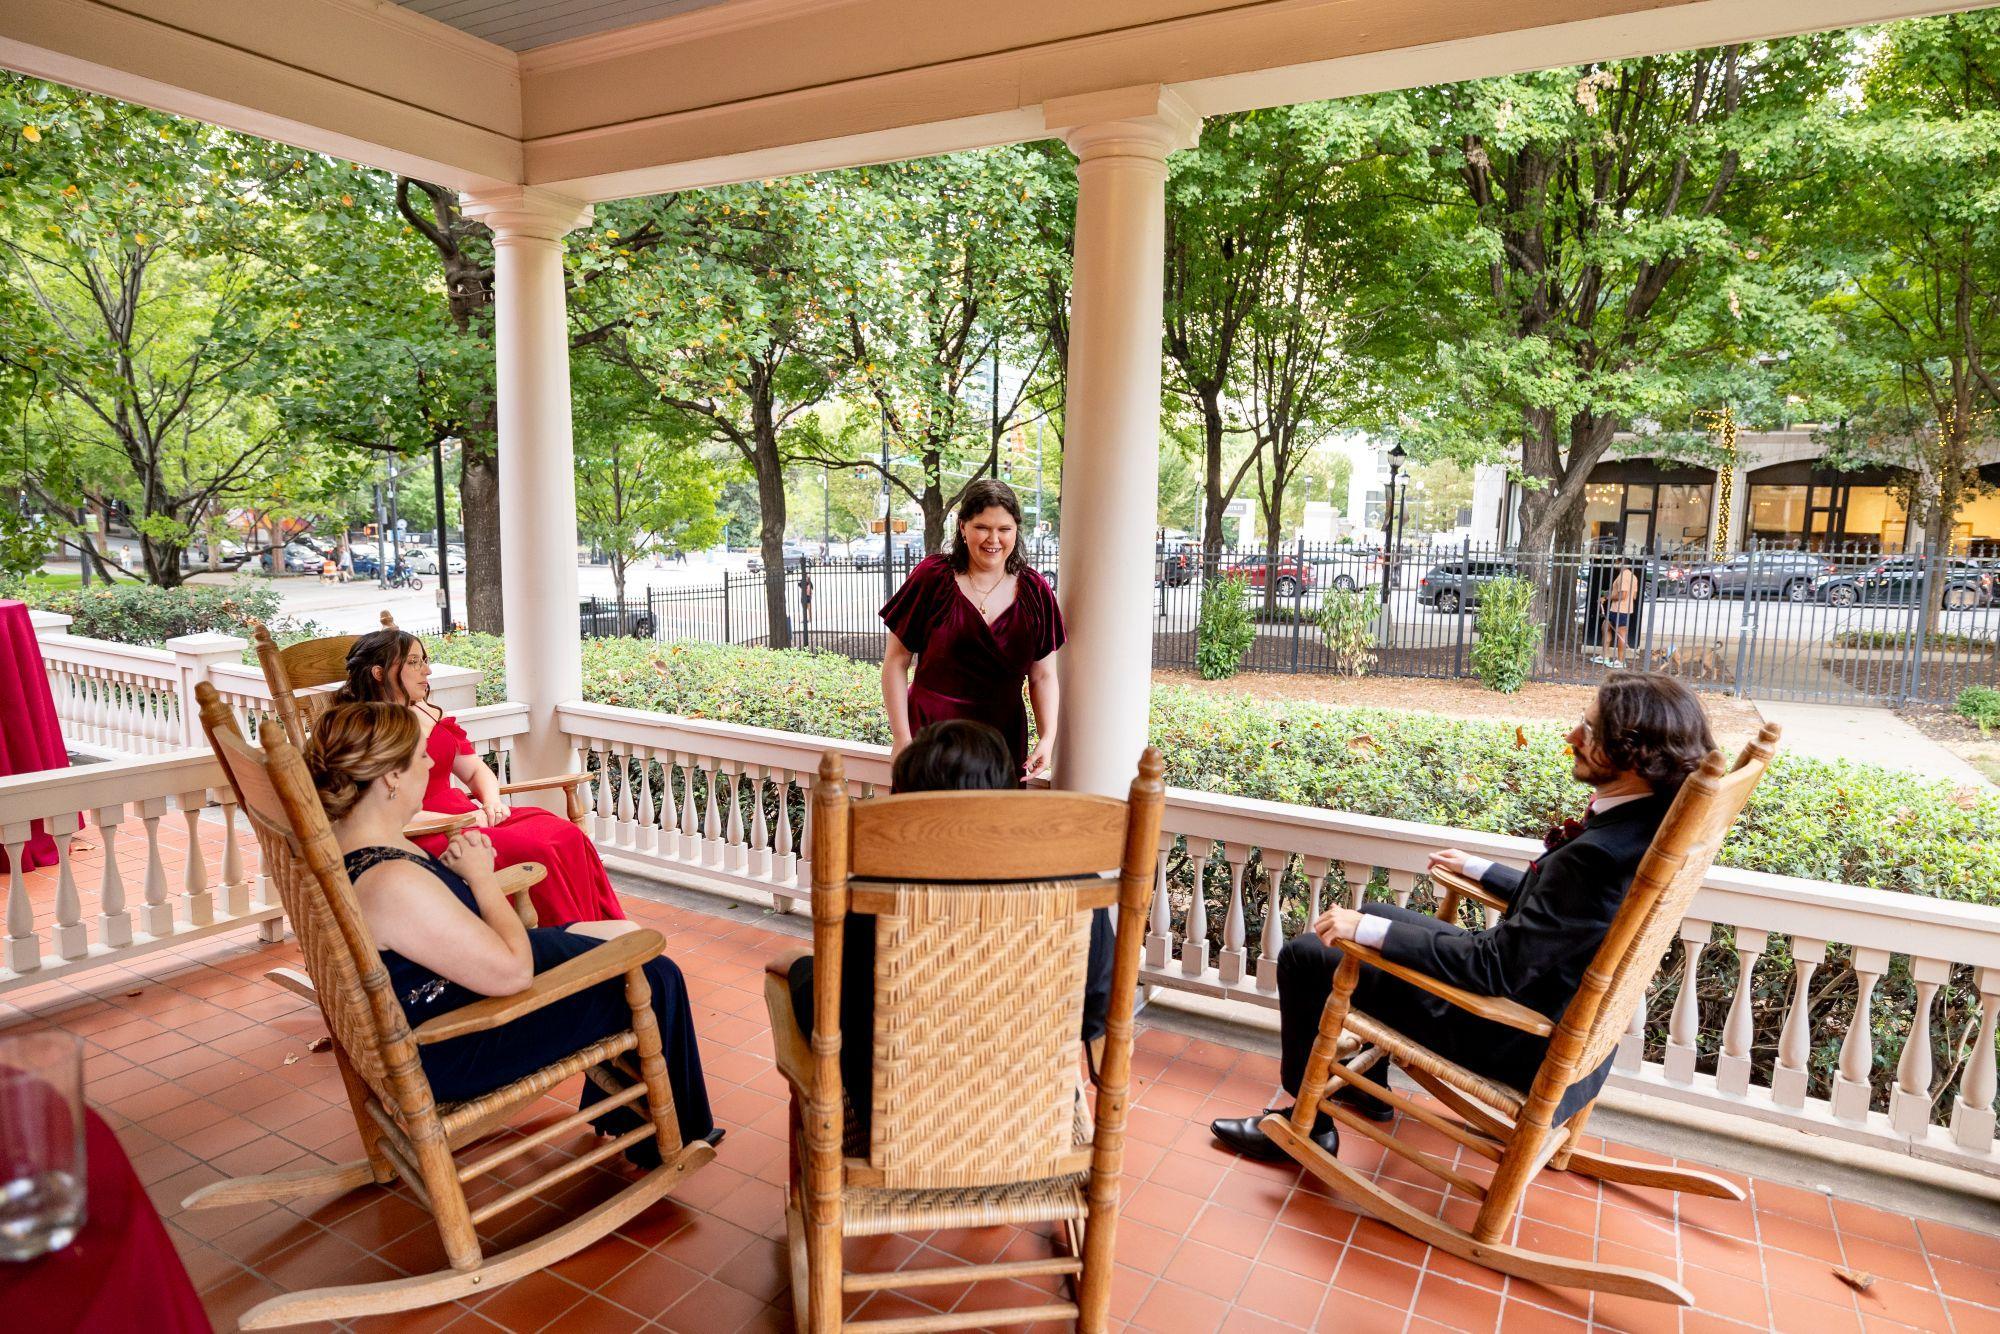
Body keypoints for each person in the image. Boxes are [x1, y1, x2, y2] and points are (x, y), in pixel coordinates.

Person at [1210, 672, 1714, 1162]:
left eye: (1590, 730)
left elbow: (1491, 967)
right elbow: (1567, 914)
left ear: (1635, 754)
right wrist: (1481, 870)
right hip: (1555, 1014)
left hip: (1507, 1033)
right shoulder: (1648, 822)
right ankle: (1366, 1088)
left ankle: (1308, 1124)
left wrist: (1366, 931)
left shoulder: (1597, 858)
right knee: (1375, 911)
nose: (1572, 736)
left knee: (1305, 956)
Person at [304, 701, 718, 1161]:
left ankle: (625, 1120)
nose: (431, 765)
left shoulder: (355, 842)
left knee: (622, 933)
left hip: (452, 988)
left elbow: (437, 930)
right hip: (458, 1041)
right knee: (655, 975)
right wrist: (480, 877)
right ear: (390, 778)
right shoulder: (392, 882)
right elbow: (514, 973)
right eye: (422, 756)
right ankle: (671, 1143)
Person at [785, 719, 1115, 1142]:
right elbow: (1094, 1015)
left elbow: (840, 1018)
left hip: (901, 1126)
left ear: (914, 805)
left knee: (803, 982)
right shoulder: (1078, 887)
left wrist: (800, 974)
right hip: (1028, 1119)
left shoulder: (875, 893)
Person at [336, 627, 626, 926]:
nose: (427, 670)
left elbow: (474, 769)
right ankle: (562, 934)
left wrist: (491, 803)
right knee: (538, 848)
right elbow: (376, 812)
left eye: (424, 660)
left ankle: (594, 929)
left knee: (565, 835)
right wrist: (461, 820)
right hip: (425, 830)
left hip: (468, 815)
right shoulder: (366, 729)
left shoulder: (426, 711)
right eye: (413, 662)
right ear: (379, 673)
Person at [880, 479, 1064, 784]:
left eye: (1004, 529)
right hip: (931, 740)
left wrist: (1048, 737)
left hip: (1002, 742)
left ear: (1016, 531)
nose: (993, 539)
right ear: (962, 527)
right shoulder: (932, 578)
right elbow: (895, 662)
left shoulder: (1036, 591)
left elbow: (1043, 676)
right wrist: (902, 737)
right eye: (982, 527)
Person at [1597, 559, 1640, 668]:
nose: (1615, 564)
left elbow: (1623, 595)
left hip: (1621, 610)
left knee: (1621, 634)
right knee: (1605, 627)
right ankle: (1604, 656)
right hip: (1618, 609)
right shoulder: (1633, 577)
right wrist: (1607, 596)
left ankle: (1620, 661)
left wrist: (1607, 597)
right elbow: (1634, 596)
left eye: (1616, 562)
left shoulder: (1624, 576)